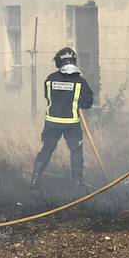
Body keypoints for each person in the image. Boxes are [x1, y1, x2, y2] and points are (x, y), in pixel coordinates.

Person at [30, 47, 94, 190]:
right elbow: (88, 103)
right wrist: (78, 102)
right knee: (76, 151)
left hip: (51, 122)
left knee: (47, 149)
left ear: (59, 62)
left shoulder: (49, 79)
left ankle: (35, 179)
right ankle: (78, 183)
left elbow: (48, 97)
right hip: (71, 124)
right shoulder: (80, 81)